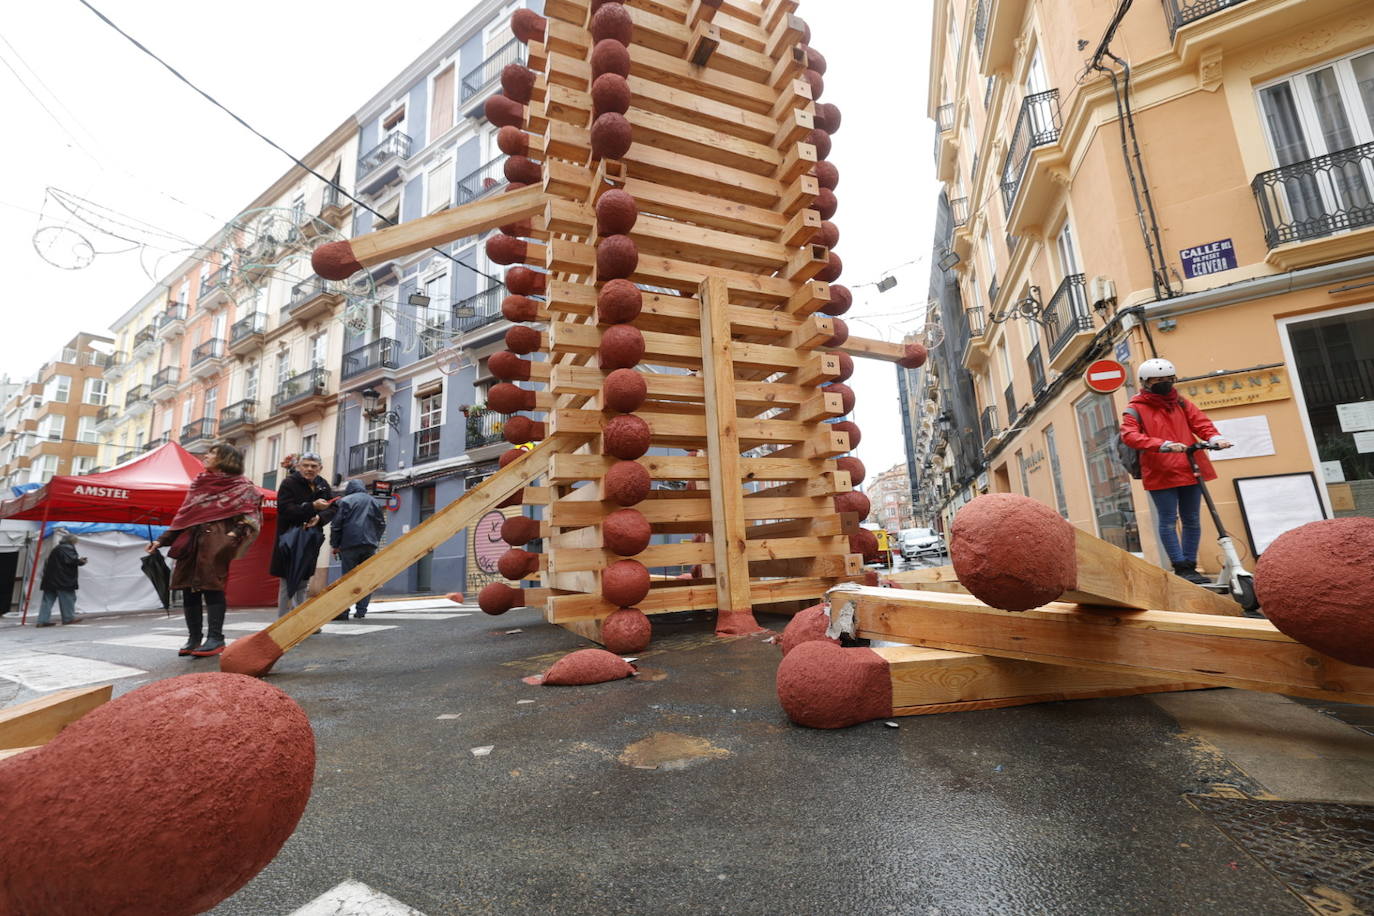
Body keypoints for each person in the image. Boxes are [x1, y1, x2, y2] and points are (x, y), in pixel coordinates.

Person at [1120, 358, 1233, 584]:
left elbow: (1201, 423)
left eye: (1167, 379)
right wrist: (1161, 444)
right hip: (1160, 470)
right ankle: (1180, 567)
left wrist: (1215, 438)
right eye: (1157, 380)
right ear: (1145, 382)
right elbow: (1129, 435)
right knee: (1169, 520)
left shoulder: (1181, 402)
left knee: (1192, 519)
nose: (1164, 383)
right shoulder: (1134, 408)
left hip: (1190, 467)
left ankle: (1191, 566)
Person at [147, 442, 262, 657]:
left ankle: (215, 638)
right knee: (188, 589)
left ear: (226, 459)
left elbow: (249, 517)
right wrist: (162, 541)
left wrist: (231, 537)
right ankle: (194, 638)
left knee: (212, 588)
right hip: (190, 544)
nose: (206, 456)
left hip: (216, 544)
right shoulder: (199, 483)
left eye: (212, 453)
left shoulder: (243, 487)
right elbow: (184, 516)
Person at [272, 451, 334, 616]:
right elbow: (284, 509)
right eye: (305, 465)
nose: (309, 469)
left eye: (313, 466)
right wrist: (311, 506)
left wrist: (320, 518)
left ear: (320, 468)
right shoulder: (288, 483)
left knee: (304, 581)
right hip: (289, 540)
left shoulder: (323, 484)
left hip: (310, 539)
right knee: (288, 581)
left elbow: (333, 508)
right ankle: (283, 623)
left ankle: (300, 620)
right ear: (299, 466)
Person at [329, 479, 387, 619]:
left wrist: (335, 545)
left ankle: (343, 611)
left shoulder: (345, 501)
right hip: (369, 546)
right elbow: (381, 524)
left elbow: (336, 526)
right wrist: (375, 540)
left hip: (349, 545)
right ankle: (361, 611)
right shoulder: (375, 502)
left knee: (348, 579)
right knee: (366, 579)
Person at [35, 533, 87, 627]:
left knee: (47, 600)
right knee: (68, 599)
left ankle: (42, 620)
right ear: (72, 541)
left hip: (50, 579)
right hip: (63, 580)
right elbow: (71, 560)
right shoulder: (67, 548)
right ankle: (68, 618)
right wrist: (81, 561)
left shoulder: (57, 548)